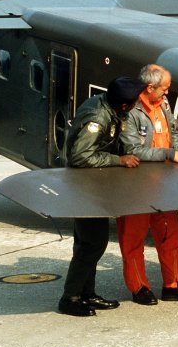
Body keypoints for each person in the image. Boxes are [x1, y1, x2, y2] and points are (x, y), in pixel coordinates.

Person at [58, 76, 146, 317]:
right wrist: (118, 160)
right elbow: (79, 156)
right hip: (85, 188)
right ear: (125, 105)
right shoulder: (98, 117)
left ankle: (87, 294)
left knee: (89, 243)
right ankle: (70, 297)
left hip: (95, 185)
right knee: (91, 244)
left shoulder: (110, 108)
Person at [118, 64, 178, 305]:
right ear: (150, 87)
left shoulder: (163, 105)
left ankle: (173, 284)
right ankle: (139, 287)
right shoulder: (130, 110)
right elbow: (133, 150)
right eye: (164, 89)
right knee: (133, 238)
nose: (167, 93)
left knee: (169, 234)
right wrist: (170, 154)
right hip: (136, 185)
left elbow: (174, 132)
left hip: (164, 184)